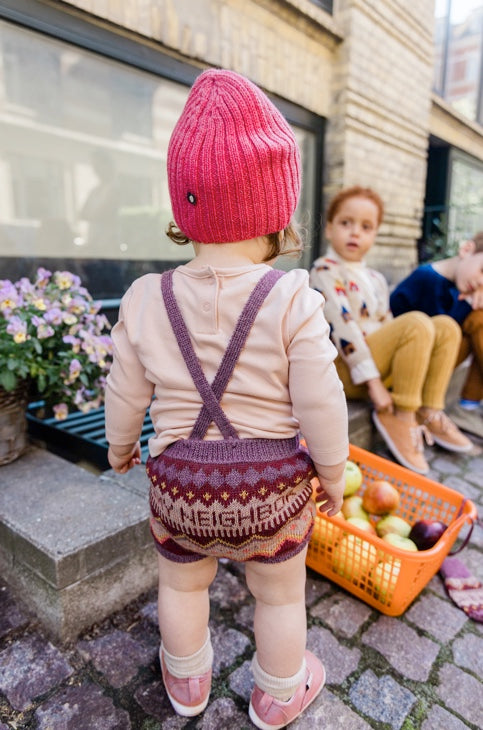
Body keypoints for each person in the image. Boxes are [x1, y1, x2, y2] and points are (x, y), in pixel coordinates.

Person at [104, 69, 349, 729]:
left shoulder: (144, 298)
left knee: (183, 583)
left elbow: (124, 388)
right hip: (272, 487)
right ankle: (277, 693)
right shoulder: (293, 297)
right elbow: (321, 399)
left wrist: (121, 445)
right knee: (278, 598)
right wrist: (331, 473)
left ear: (185, 209)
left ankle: (186, 684)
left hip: (180, 485)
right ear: (276, 209)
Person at [309, 185, 472, 476]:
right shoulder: (324, 270)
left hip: (378, 363)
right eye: (346, 223)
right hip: (347, 371)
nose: (355, 232)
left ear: (375, 234)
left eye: (366, 226)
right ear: (330, 228)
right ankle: (402, 415)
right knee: (417, 321)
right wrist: (375, 385)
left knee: (446, 326)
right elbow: (344, 330)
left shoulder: (376, 279)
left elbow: (388, 326)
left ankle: (429, 409)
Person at [390, 233, 483, 438]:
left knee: (479, 317)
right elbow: (436, 332)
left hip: (427, 361)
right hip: (404, 365)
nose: (480, 283)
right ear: (466, 250)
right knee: (478, 320)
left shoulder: (460, 288)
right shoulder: (426, 278)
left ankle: (468, 404)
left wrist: (471, 304)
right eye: (482, 271)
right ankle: (465, 406)